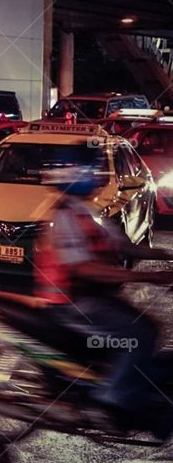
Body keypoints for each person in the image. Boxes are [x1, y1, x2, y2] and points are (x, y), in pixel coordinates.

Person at [34, 165, 173, 437]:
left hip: (95, 298)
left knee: (150, 328)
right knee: (138, 337)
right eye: (90, 173)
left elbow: (122, 246)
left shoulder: (87, 212)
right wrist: (151, 277)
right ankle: (111, 401)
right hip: (73, 303)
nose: (97, 179)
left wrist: (167, 255)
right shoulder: (62, 219)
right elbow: (83, 269)